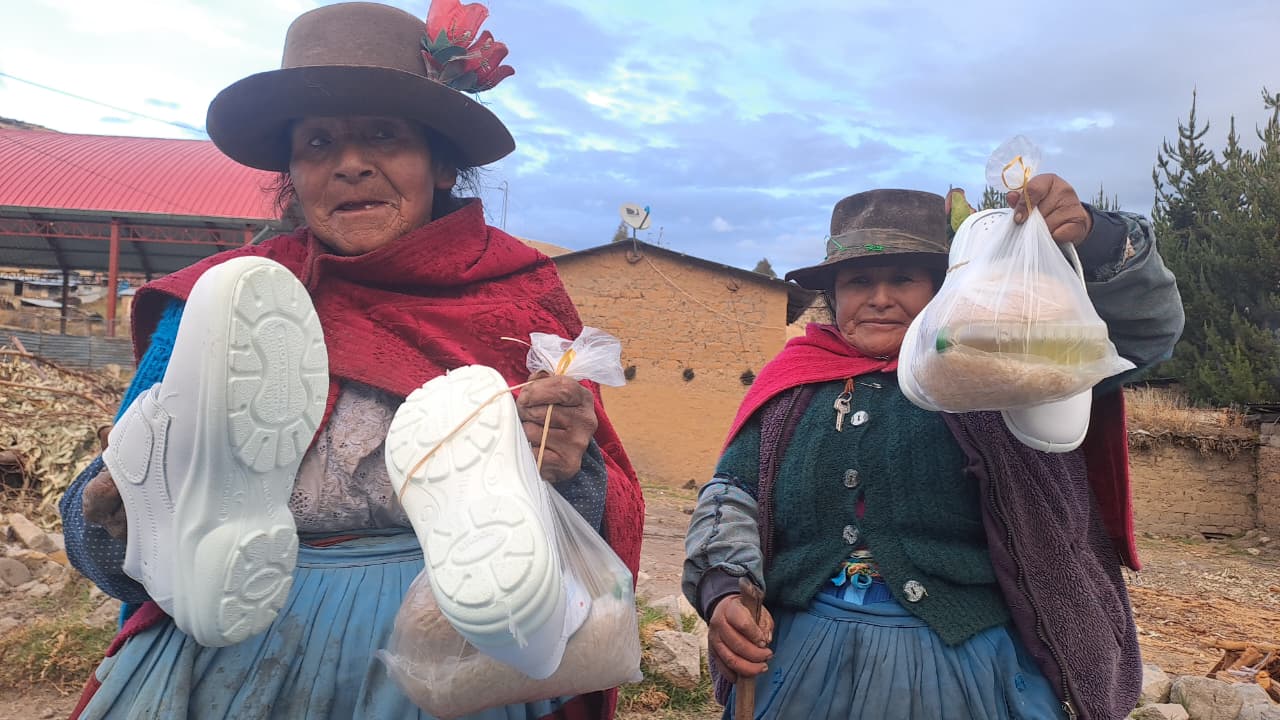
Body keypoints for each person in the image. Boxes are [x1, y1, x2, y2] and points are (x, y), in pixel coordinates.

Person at [59, 2, 643, 718]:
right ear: (292, 172)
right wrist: (117, 517)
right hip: (227, 644)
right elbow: (104, 522)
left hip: (450, 652)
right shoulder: (226, 303)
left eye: (383, 135)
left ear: (440, 162)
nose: (350, 164)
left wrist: (564, 468)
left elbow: (590, 525)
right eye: (318, 142)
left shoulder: (514, 300)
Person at [682, 178, 1184, 720]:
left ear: (943, 286)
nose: (879, 298)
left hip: (967, 670)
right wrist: (723, 589)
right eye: (858, 281)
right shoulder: (795, 382)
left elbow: (1147, 333)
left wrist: (1096, 239)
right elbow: (733, 491)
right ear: (833, 295)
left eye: (903, 278)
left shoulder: (1003, 366)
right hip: (802, 666)